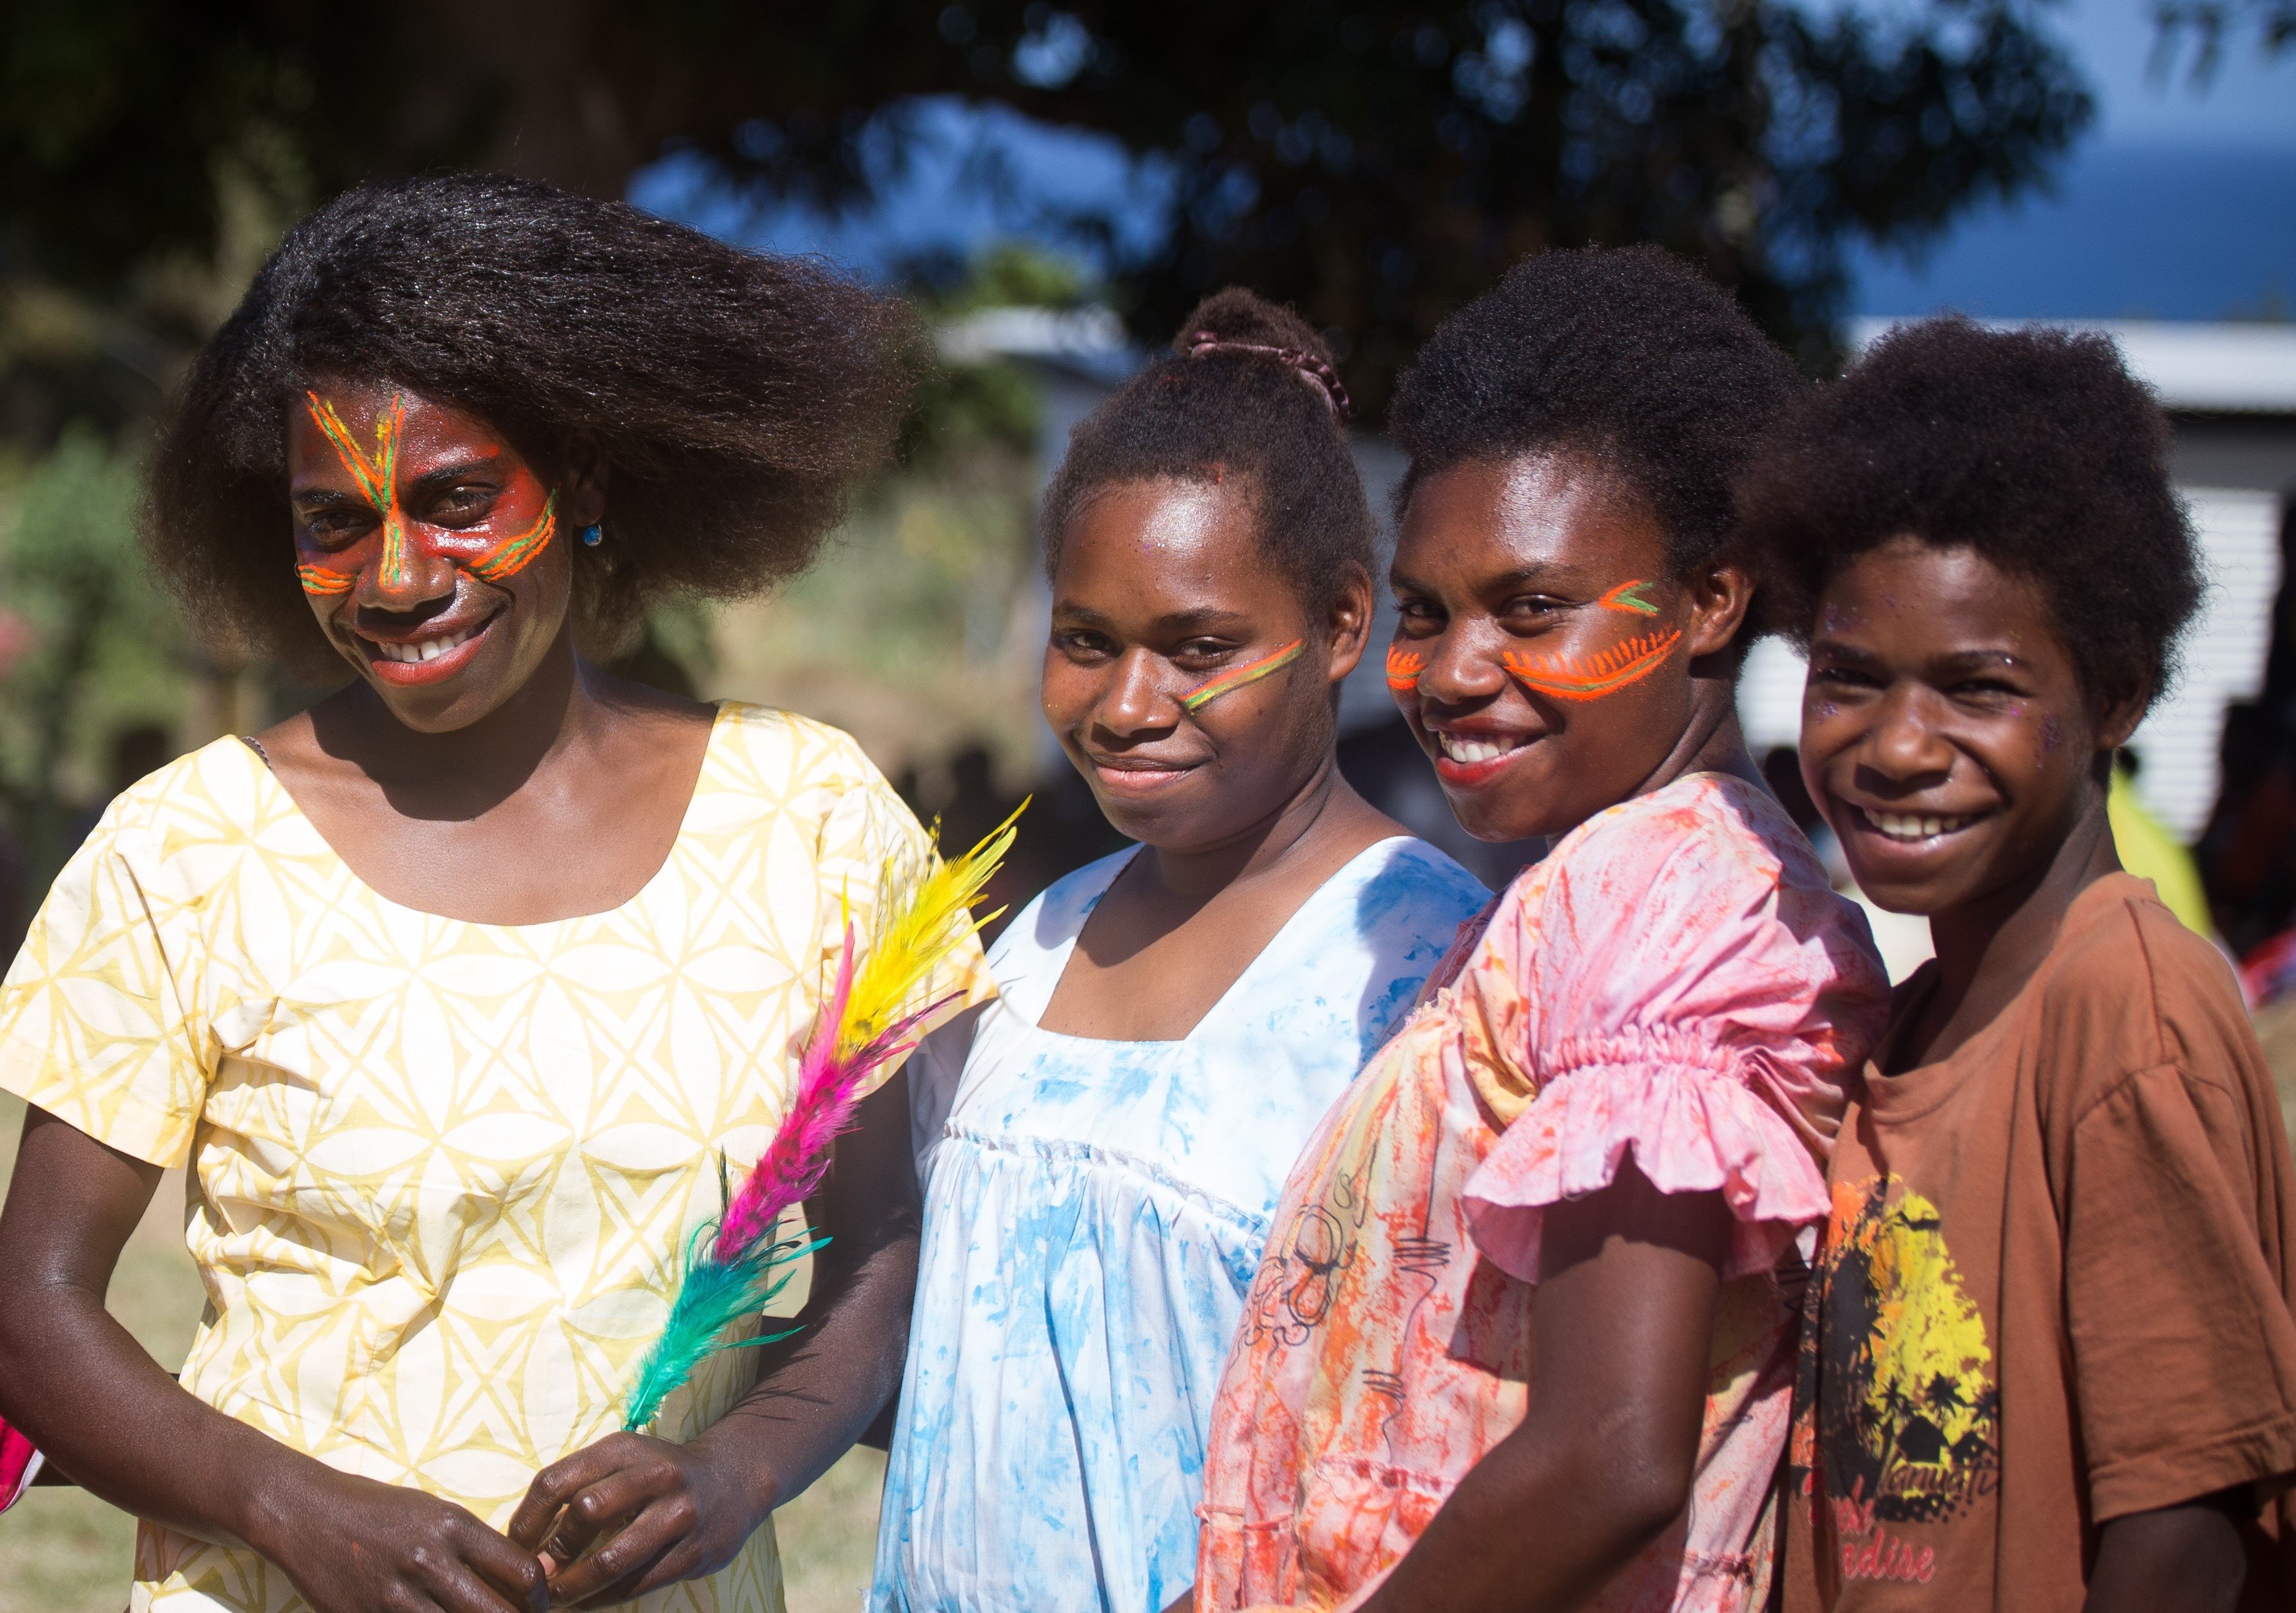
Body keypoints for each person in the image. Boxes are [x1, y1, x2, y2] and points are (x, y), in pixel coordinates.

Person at [0, 174, 986, 1613]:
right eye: (331, 520)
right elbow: (32, 1315)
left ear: (580, 480)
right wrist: (297, 1508)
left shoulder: (812, 820)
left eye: (459, 501)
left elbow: (881, 1247)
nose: (394, 577)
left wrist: (741, 1466)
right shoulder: (188, 850)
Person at [1191, 247, 1890, 1613]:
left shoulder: (1680, 905)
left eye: (1532, 609)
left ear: (1710, 601)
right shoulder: (1598, 884)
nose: (1452, 672)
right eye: (1427, 613)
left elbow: (1611, 1457)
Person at [870, 291, 1490, 1613]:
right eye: (1086, 641)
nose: (1130, 704)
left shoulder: (1436, 981)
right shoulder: (1025, 947)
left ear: (1340, 625)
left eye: (1199, 648)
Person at [1743, 318, 2296, 1611]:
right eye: (1852, 678)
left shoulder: (2125, 1004)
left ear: (2115, 695)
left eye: (1977, 688)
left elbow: (2185, 1529)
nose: (1898, 743)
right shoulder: (1918, 1012)